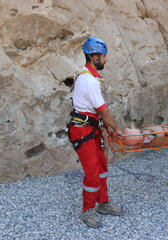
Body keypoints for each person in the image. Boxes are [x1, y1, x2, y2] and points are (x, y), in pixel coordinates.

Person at [67, 37, 123, 228]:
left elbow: (97, 112)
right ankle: (87, 210)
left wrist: (107, 127)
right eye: (104, 56)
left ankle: (103, 203)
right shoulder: (88, 80)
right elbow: (103, 110)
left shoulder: (92, 78)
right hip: (83, 132)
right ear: (94, 56)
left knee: (101, 169)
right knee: (92, 172)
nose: (106, 60)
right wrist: (116, 129)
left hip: (91, 129)